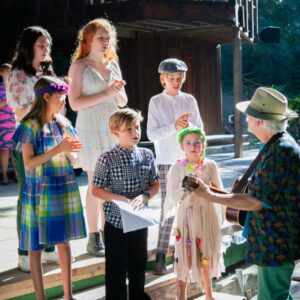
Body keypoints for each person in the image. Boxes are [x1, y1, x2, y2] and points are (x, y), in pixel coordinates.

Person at [193, 87, 300, 300]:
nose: (246, 120)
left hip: (276, 243)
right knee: (277, 294)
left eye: (249, 116)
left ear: (260, 121)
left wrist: (208, 195)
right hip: (274, 241)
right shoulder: (274, 144)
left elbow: (255, 201)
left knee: (272, 297)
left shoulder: (281, 149)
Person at [13, 76, 87, 300]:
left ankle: (68, 295)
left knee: (63, 242)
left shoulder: (63, 123)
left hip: (61, 188)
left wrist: (71, 151)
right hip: (38, 191)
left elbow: (73, 157)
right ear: (46, 96)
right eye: (61, 97)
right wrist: (59, 148)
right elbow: (29, 162)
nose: (64, 101)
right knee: (35, 247)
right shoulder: (30, 126)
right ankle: (40, 297)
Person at [68, 18, 128, 257]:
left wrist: (117, 90)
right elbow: (74, 103)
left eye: (108, 38)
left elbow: (123, 101)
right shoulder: (79, 66)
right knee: (96, 182)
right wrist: (106, 93)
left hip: (112, 126)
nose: (105, 42)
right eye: (100, 38)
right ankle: (94, 237)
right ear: (89, 40)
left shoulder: (113, 63)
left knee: (113, 183)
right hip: (90, 127)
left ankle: (109, 231)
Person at [92, 108, 160, 300]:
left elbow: (155, 183)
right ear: (116, 133)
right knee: (116, 268)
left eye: (137, 127)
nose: (135, 133)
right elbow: (95, 190)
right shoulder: (106, 158)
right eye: (129, 129)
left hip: (139, 220)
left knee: (138, 264)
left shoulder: (147, 154)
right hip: (116, 222)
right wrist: (117, 197)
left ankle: (138, 296)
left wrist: (145, 196)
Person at [6, 26, 59, 272]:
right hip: (27, 139)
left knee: (47, 194)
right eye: (41, 44)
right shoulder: (18, 75)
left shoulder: (48, 74)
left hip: (50, 138)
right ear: (29, 47)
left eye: (47, 44)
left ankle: (47, 249)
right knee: (28, 197)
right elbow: (21, 111)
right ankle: (24, 252)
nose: (45, 48)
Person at [147, 58, 204, 274]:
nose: (176, 81)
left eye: (180, 78)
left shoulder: (189, 100)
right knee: (168, 208)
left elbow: (201, 129)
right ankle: (161, 255)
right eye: (171, 78)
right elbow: (151, 134)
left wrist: (188, 127)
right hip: (166, 161)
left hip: (188, 162)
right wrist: (174, 126)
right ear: (162, 79)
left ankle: (188, 255)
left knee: (191, 205)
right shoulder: (156, 102)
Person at [163, 127, 224, 300]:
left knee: (205, 253)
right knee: (185, 255)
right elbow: (172, 193)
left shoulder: (210, 165)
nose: (193, 146)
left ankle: (209, 295)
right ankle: (180, 295)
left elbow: (219, 190)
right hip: (187, 216)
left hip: (206, 214)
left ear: (203, 145)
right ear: (182, 146)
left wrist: (207, 190)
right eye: (188, 142)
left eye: (197, 142)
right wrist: (186, 189)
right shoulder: (177, 166)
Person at [0, 63, 15, 185]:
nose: (8, 74)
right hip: (3, 123)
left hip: (15, 121)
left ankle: (17, 175)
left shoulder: (15, 87)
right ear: (1, 73)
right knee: (5, 150)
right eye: (6, 71)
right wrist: (7, 100)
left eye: (10, 71)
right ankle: (4, 176)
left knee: (16, 149)